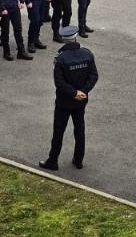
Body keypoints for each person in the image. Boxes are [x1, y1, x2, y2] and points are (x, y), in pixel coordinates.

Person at [39, 25, 99, 171]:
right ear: (75, 37)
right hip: (81, 101)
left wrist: (73, 93)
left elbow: (59, 83)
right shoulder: (87, 54)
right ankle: (78, 160)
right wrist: (82, 92)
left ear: (64, 40)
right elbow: (93, 76)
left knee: (58, 131)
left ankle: (53, 161)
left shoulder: (60, 59)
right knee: (79, 130)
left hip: (64, 102)